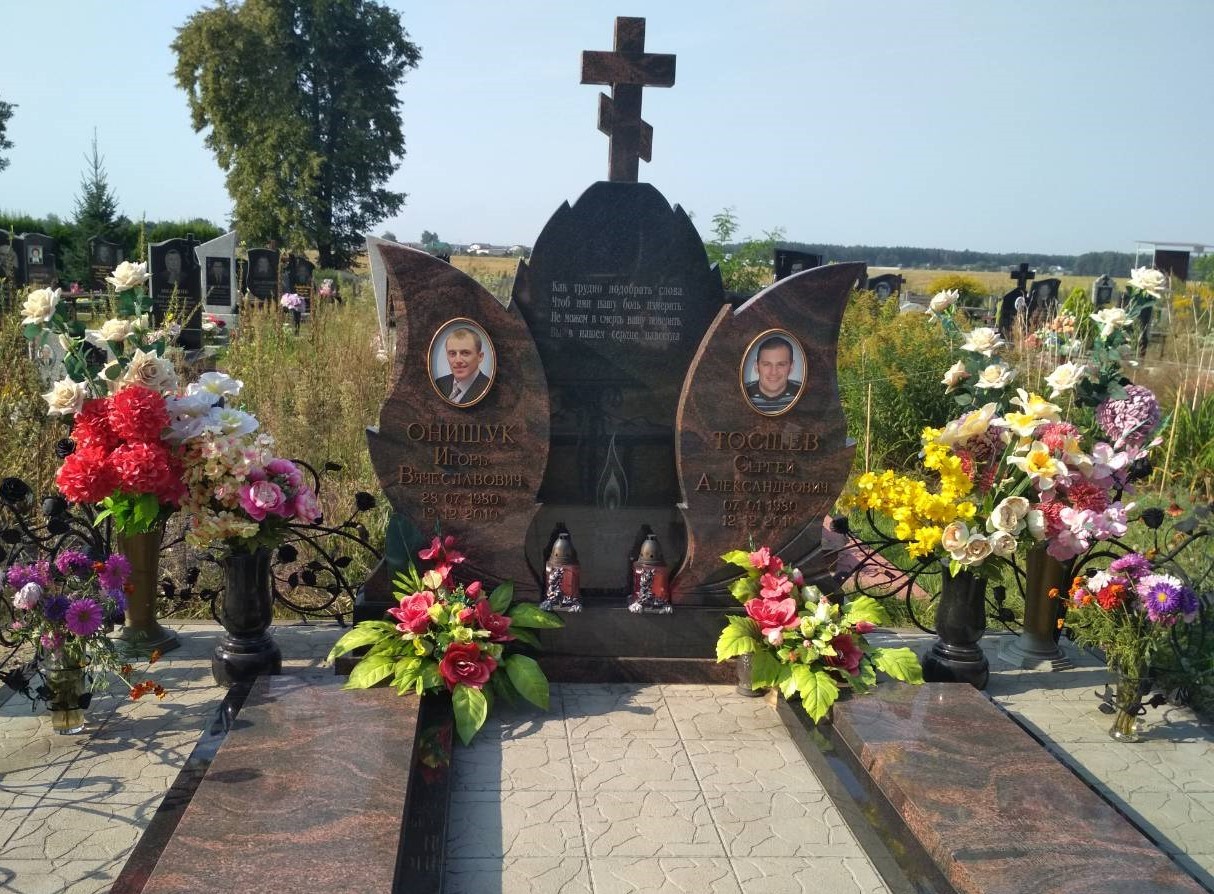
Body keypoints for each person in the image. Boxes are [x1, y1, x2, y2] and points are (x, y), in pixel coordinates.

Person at [745, 334, 802, 414]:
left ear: (791, 367)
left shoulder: (803, 393)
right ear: (756, 367)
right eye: (767, 364)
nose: (774, 372)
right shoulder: (743, 394)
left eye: (781, 364)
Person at [433, 326, 491, 405]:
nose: (458, 360)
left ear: (480, 357)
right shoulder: (440, 383)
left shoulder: (487, 388)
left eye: (465, 353)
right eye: (452, 353)